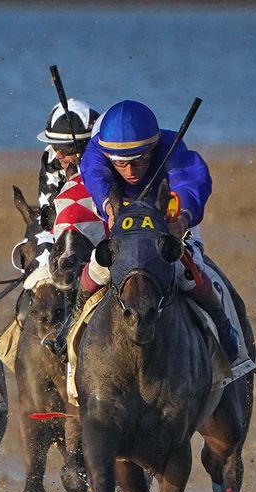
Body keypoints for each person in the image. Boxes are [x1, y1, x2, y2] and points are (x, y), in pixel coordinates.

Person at [77, 99, 232, 348]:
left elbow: (190, 181)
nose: (130, 172)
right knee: (95, 270)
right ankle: (71, 326)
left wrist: (182, 218)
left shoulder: (171, 147)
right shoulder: (97, 151)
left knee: (187, 274)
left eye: (138, 161)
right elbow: (96, 176)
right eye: (120, 164)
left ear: (152, 148)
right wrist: (109, 206)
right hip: (122, 235)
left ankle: (225, 334)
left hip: (171, 228)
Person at [34, 99, 99, 233]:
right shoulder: (51, 159)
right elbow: (50, 218)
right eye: (55, 145)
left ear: (87, 146)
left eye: (64, 147)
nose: (58, 155)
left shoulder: (108, 162)